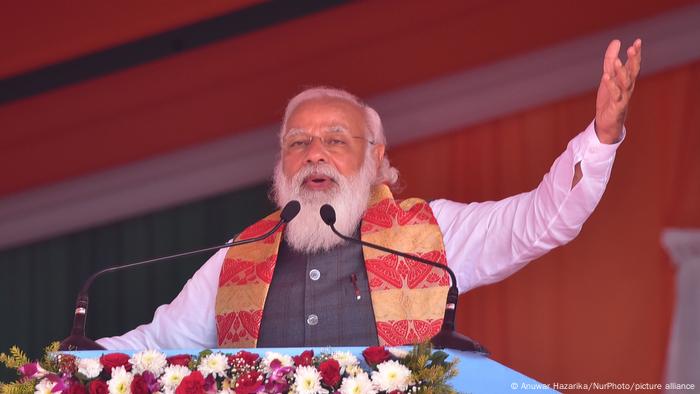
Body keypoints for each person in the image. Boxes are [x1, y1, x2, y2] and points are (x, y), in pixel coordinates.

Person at [97, 39, 642, 350]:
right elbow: (158, 345)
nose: (314, 154)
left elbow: (542, 220)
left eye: (336, 140)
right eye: (298, 142)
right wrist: (70, 366)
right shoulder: (238, 257)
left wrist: (601, 137)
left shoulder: (431, 234)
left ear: (377, 157)